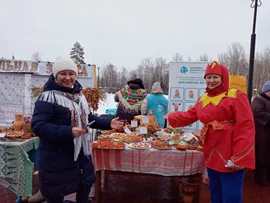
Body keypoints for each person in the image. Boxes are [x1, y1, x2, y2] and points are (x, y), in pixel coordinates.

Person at [31, 56, 124, 203]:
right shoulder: (47, 98)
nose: (67, 78)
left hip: (80, 156)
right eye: (63, 73)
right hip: (56, 159)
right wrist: (68, 132)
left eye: (71, 73)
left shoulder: (78, 96)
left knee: (84, 188)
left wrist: (108, 124)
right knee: (56, 196)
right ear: (56, 75)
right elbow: (38, 126)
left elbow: (87, 118)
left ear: (76, 75)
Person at [165, 61, 255, 203]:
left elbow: (246, 126)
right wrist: (171, 117)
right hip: (211, 152)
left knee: (231, 194)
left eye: (215, 77)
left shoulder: (236, 96)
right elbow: (190, 114)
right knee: (215, 191)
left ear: (223, 78)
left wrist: (240, 156)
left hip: (230, 153)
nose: (211, 81)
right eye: (209, 77)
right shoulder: (203, 99)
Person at [252, 80, 270, 186]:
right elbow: (256, 112)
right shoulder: (259, 99)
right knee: (261, 156)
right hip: (261, 134)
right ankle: (260, 178)